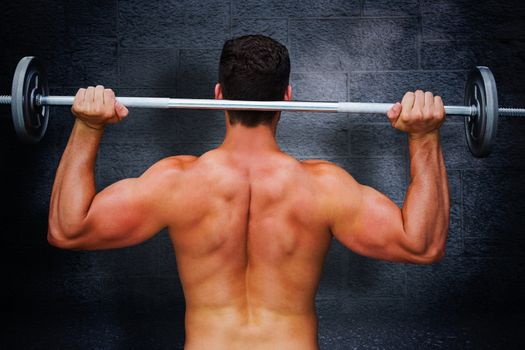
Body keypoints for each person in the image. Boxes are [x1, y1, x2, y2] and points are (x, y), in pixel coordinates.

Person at [47, 35, 449, 349]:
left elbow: (68, 230)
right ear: (287, 98)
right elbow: (421, 245)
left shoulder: (175, 182)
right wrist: (424, 136)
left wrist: (87, 127)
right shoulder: (324, 187)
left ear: (219, 94)